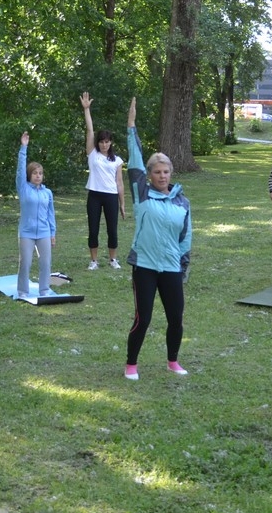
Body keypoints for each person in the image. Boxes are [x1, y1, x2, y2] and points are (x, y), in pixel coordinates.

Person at [125, 97, 191, 380]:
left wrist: (183, 265)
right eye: (157, 172)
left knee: (176, 318)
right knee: (144, 318)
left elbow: (186, 236)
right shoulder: (141, 192)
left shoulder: (182, 201)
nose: (162, 176)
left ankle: (172, 361)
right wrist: (131, 127)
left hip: (171, 266)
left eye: (166, 172)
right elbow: (135, 162)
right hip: (146, 266)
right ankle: (131, 365)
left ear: (171, 173)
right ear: (149, 175)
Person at [80, 92, 125, 270]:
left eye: (107, 142)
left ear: (111, 143)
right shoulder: (93, 155)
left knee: (112, 229)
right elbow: (90, 130)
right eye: (101, 142)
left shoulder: (117, 160)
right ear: (98, 143)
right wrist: (87, 109)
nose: (104, 145)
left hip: (111, 196)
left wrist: (122, 203)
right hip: (95, 195)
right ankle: (94, 261)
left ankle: (113, 259)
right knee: (93, 228)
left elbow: (120, 183)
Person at [16, 131, 56, 299]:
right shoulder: (23, 188)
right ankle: (23, 291)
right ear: (29, 175)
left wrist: (53, 233)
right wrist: (23, 147)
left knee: (45, 263)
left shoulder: (47, 193)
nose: (38, 176)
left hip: (44, 232)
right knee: (26, 263)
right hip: (27, 232)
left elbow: (51, 214)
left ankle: (44, 289)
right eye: (35, 173)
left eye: (40, 173)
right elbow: (20, 169)